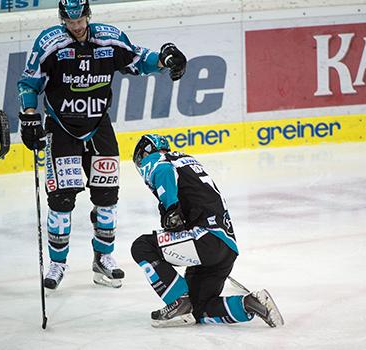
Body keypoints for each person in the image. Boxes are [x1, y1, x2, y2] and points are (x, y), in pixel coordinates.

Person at [17, 0, 186, 289]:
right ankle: (57, 263)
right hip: (61, 128)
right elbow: (28, 84)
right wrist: (29, 117)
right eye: (71, 22)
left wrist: (166, 58)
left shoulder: (108, 37)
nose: (77, 27)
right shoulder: (48, 43)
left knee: (107, 196)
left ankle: (103, 258)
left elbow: (138, 60)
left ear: (88, 15)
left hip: (98, 126)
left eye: (81, 19)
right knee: (61, 200)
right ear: (62, 20)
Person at [131, 134, 284, 328]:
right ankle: (250, 304)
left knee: (142, 247)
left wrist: (171, 211)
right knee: (199, 309)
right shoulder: (186, 162)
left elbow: (162, 170)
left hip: (205, 238)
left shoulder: (161, 160)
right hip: (226, 247)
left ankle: (178, 301)